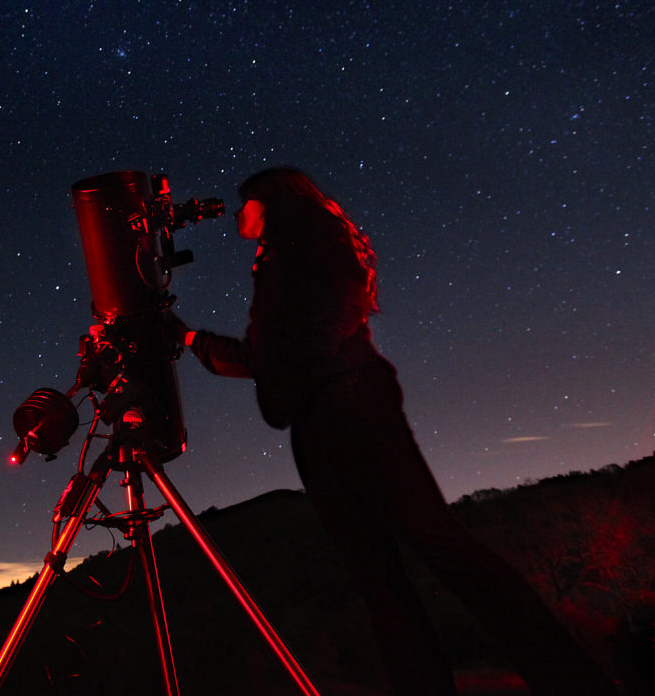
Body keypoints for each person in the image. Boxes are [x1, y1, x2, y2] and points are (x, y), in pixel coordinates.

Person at [168, 168, 619, 696]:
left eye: (244, 205)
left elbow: (278, 351)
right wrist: (200, 341)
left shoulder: (305, 243)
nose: (236, 215)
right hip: (326, 415)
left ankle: (572, 680)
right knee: (378, 576)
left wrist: (204, 342)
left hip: (347, 409)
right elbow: (272, 354)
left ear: (270, 202)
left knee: (438, 548)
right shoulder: (295, 250)